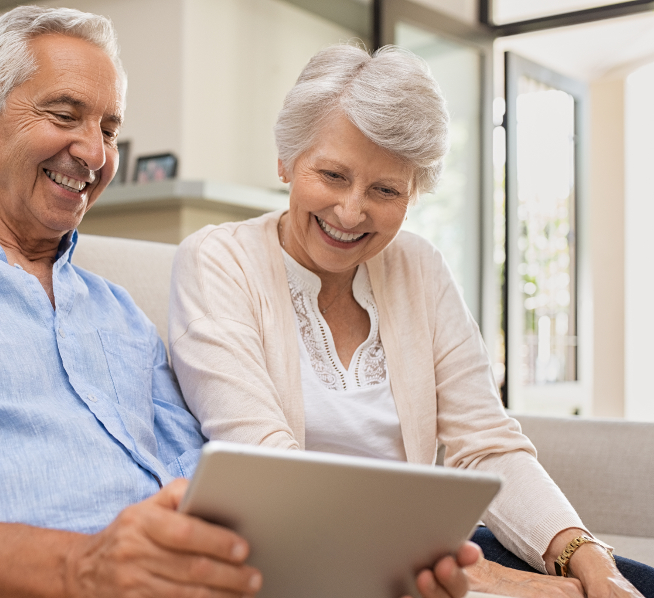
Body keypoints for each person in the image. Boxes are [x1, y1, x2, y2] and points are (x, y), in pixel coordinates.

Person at [0, 8, 477, 598]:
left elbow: (209, 488)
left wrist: (375, 567)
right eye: (65, 114)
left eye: (108, 129)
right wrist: (80, 569)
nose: (95, 152)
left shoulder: (119, 316)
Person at [169, 43, 654, 598]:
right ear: (286, 160)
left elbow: (487, 445)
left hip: (431, 552)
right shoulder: (217, 260)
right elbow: (270, 475)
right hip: (303, 560)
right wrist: (497, 580)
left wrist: (586, 557)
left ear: (413, 193)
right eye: (331, 175)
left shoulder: (418, 266)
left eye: (385, 190)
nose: (351, 212)